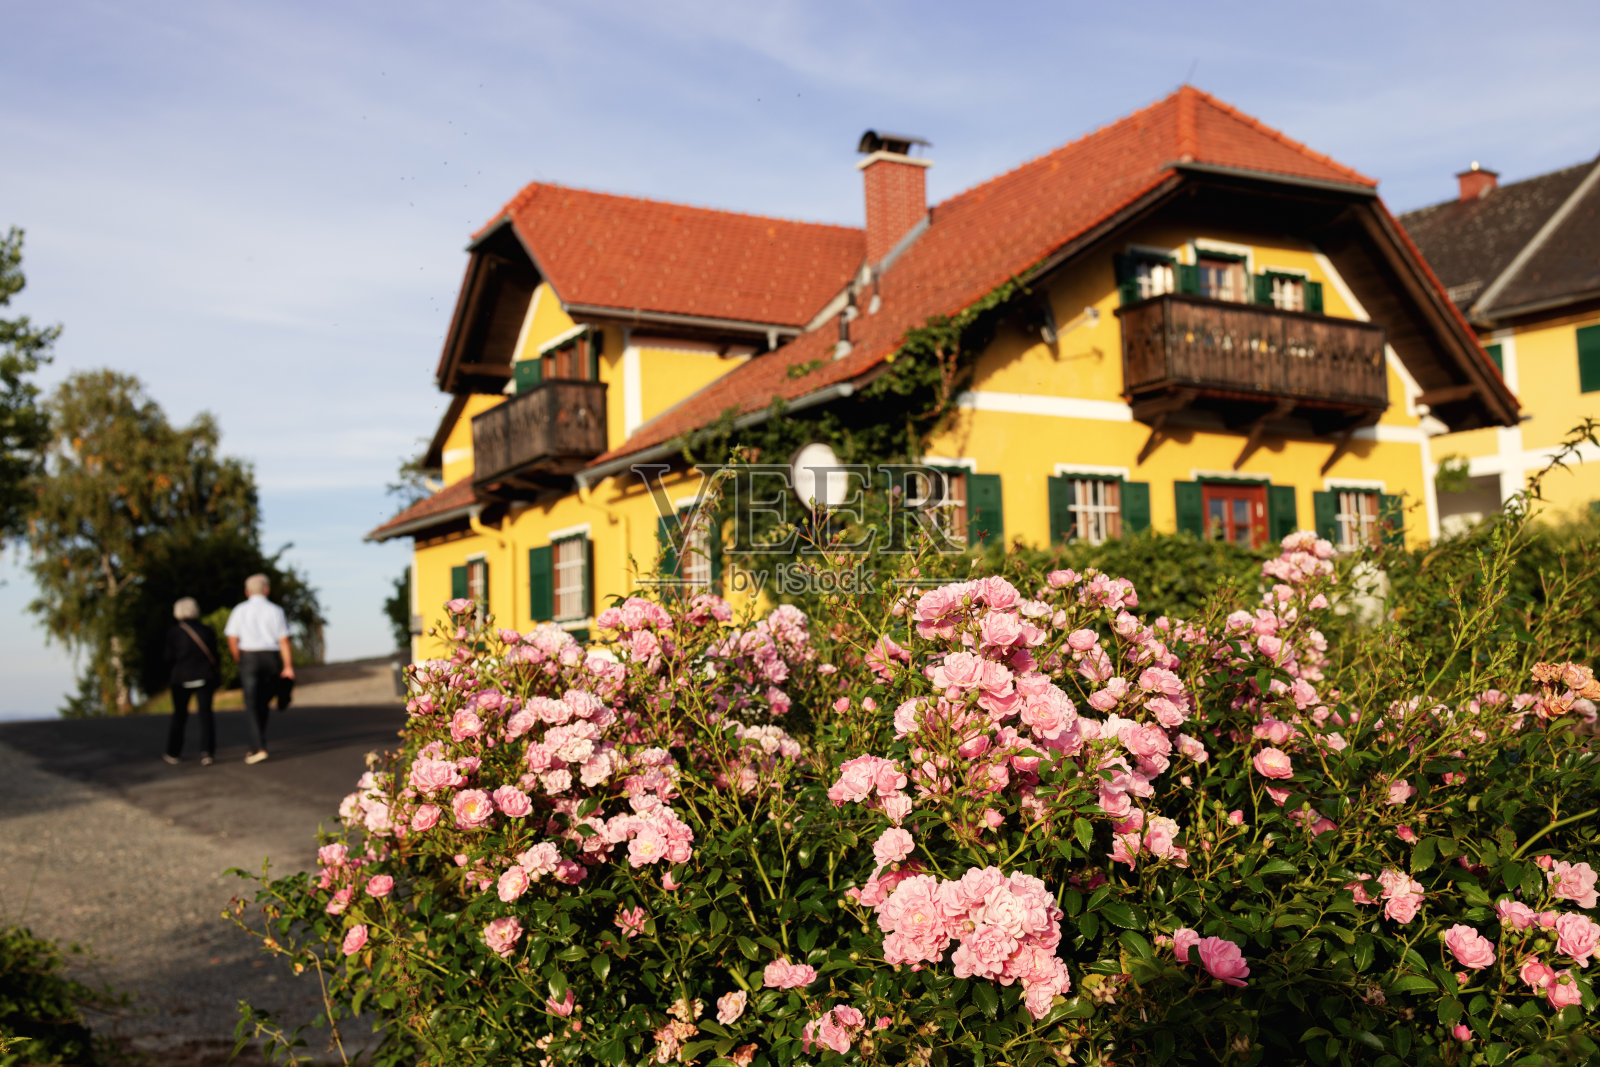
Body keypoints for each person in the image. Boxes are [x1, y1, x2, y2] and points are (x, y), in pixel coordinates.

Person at [224, 573, 295, 764]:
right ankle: (256, 744)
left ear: (247, 592)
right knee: (263, 702)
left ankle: (258, 747)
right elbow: (284, 640)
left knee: (252, 703)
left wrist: (240, 659)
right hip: (271, 659)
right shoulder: (276, 610)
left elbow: (232, 638)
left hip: (249, 657)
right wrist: (288, 666)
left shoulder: (240, 610)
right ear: (267, 590)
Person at [162, 597, 220, 765]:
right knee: (206, 715)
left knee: (179, 715)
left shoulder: (174, 633)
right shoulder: (207, 630)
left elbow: (168, 658)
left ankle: (173, 752)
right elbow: (215, 655)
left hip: (181, 678)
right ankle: (207, 752)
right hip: (204, 677)